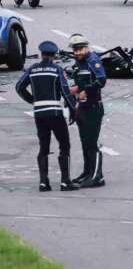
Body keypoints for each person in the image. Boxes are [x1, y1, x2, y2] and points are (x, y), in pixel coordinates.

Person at [15, 41, 78, 192]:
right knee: (64, 145)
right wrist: (73, 109)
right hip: (55, 112)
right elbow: (65, 91)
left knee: (44, 147)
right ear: (55, 55)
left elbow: (19, 87)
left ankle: (43, 182)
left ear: (41, 54)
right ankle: (65, 181)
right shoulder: (57, 69)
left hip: (39, 113)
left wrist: (32, 100)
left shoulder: (32, 69)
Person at [68, 34, 107, 188]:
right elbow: (78, 83)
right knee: (85, 143)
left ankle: (98, 176)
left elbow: (101, 80)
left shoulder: (93, 61)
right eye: (75, 50)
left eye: (80, 49)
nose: (77, 53)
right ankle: (87, 173)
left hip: (93, 107)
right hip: (82, 108)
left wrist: (86, 90)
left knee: (92, 143)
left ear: (87, 47)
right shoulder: (78, 64)